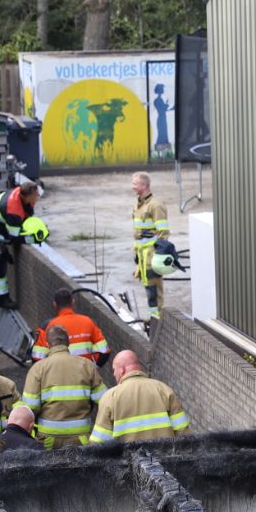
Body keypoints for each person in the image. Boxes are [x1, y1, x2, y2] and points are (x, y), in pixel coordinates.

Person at [16, 325, 107, 448]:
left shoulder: (38, 369)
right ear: (68, 343)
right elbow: (104, 400)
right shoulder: (87, 365)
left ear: (47, 344)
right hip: (81, 437)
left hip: (48, 439)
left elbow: (30, 407)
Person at [90, 350, 188, 444]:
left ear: (122, 369)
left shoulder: (110, 397)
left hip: (129, 455)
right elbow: (183, 432)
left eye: (114, 369)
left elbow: (99, 443)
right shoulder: (164, 390)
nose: (114, 374)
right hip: (163, 455)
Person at [0, 181, 48, 309]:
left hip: (0, 218)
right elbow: (14, 238)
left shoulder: (22, 194)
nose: (38, 197)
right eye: (36, 195)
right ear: (27, 197)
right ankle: (2, 299)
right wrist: (33, 239)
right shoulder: (14, 211)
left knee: (3, 250)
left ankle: (2, 251)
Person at [31, 288, 110, 366]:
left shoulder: (47, 326)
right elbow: (104, 351)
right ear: (73, 302)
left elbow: (37, 358)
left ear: (54, 304)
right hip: (84, 372)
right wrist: (92, 368)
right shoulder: (88, 322)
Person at [131, 171, 170, 320]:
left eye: (135, 184)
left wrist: (158, 256)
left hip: (152, 255)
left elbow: (163, 233)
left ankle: (156, 319)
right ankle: (152, 318)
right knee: (148, 288)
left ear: (144, 185)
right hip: (143, 255)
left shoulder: (156, 205)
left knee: (154, 289)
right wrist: (137, 253)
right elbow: (139, 233)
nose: (133, 187)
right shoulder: (138, 205)